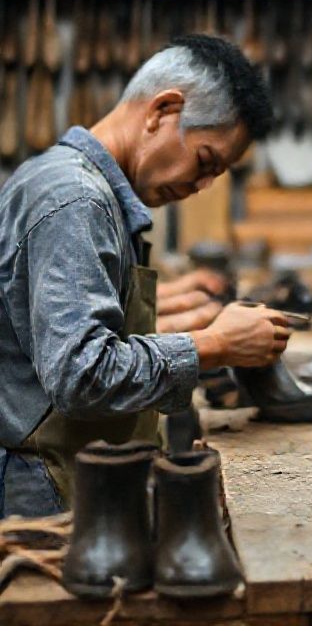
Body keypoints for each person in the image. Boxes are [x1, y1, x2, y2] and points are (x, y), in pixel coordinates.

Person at [0, 34, 290, 517]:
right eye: (204, 162)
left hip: (76, 472)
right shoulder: (75, 200)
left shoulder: (91, 194)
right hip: (46, 489)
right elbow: (82, 374)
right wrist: (211, 345)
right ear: (163, 110)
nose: (201, 188)